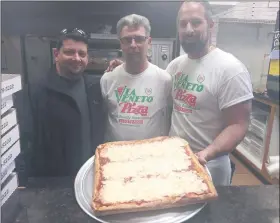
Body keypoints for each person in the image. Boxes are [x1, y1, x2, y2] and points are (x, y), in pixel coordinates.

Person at [105, 0, 253, 186]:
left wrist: (207, 153)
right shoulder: (176, 65)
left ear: (211, 25)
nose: (189, 29)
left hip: (209, 164)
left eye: (196, 22)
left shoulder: (230, 69)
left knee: (211, 214)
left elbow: (238, 125)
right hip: (174, 160)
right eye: (183, 24)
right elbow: (149, 81)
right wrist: (126, 66)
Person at [17, 28, 105, 177]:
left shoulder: (94, 87)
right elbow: (24, 141)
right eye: (70, 52)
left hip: (90, 175)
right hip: (53, 182)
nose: (77, 58)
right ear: (56, 54)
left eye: (82, 54)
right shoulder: (35, 91)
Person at [101, 14, 172, 142]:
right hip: (116, 156)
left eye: (139, 39)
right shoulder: (107, 79)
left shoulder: (164, 80)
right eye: (127, 40)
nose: (133, 45)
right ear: (120, 44)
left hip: (152, 156)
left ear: (149, 42)